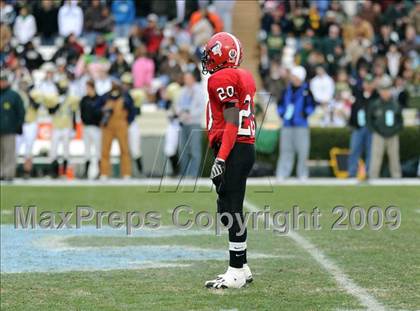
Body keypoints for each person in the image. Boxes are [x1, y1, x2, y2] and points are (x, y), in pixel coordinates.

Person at [202, 32, 256, 289]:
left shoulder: (221, 77)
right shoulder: (242, 76)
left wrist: (222, 157)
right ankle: (242, 267)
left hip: (233, 147)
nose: (207, 58)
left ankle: (235, 270)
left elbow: (232, 120)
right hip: (243, 147)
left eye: (210, 53)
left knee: (232, 209)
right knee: (226, 208)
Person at [276, 66, 316, 179]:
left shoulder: (306, 91)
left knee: (303, 151)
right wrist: (282, 114)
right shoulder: (286, 90)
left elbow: (312, 105)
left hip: (301, 125)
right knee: (285, 150)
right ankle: (282, 174)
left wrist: (305, 114)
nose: (293, 78)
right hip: (287, 125)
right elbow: (280, 104)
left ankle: (302, 174)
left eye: (295, 76)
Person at [367, 76, 403, 178]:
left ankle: (397, 177)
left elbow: (400, 121)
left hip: (393, 135)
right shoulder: (375, 104)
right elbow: (369, 120)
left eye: (387, 90)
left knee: (394, 157)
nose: (385, 92)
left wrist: (395, 131)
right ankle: (373, 177)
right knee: (376, 157)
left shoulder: (395, 104)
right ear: (380, 92)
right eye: (383, 90)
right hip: (379, 135)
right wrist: (374, 131)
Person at [98, 81, 135, 179]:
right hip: (107, 126)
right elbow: (97, 108)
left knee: (124, 150)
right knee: (105, 150)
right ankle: (104, 173)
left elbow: (132, 110)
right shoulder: (105, 96)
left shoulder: (126, 97)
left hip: (121, 124)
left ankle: (126, 173)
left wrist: (128, 122)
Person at [176, 71, 205, 178]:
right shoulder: (183, 91)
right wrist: (181, 113)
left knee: (194, 149)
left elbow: (201, 108)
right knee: (183, 149)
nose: (186, 80)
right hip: (183, 123)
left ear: (193, 78)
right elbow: (178, 105)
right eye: (185, 78)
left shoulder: (199, 90)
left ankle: (193, 174)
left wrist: (190, 114)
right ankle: (183, 173)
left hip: (194, 123)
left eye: (188, 78)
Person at [348, 74, 377, 178]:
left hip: (371, 128)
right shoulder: (357, 94)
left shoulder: (376, 96)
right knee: (354, 150)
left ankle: (369, 172)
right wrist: (351, 124)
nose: (368, 85)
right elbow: (353, 111)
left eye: (370, 83)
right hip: (358, 127)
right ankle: (352, 172)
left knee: (371, 151)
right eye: (366, 83)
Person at [1, 70, 25, 181]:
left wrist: (18, 126)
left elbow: (21, 112)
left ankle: (9, 174)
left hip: (9, 130)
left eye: (3, 81)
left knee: (9, 153)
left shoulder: (14, 95)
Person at [80, 80, 101, 179]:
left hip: (96, 128)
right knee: (87, 150)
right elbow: (82, 113)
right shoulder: (84, 99)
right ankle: (86, 172)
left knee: (98, 150)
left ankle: (100, 172)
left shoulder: (98, 99)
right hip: (86, 127)